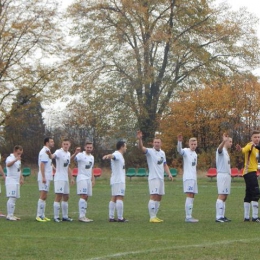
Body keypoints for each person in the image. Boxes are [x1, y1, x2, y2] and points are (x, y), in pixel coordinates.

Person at [137, 131, 173, 223]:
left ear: (161, 143)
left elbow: (165, 164)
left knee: (159, 197)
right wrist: (140, 139)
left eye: (158, 142)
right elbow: (141, 148)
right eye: (155, 142)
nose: (157, 144)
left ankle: (155, 216)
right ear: (153, 143)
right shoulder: (150, 152)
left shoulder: (162, 153)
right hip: (153, 178)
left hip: (161, 178)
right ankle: (152, 217)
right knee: (153, 196)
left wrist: (169, 174)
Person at [48, 138, 75, 222]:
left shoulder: (68, 153)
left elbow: (67, 167)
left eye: (67, 144)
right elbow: (53, 156)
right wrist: (50, 154)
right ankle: (56, 217)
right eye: (64, 144)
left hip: (65, 178)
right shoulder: (59, 152)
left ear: (69, 145)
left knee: (66, 196)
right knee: (59, 196)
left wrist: (71, 178)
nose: (66, 146)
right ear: (62, 145)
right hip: (59, 177)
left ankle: (65, 216)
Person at [236, 130, 260, 222]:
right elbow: (244, 150)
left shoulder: (257, 148)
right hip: (249, 172)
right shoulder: (250, 145)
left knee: (249, 194)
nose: (257, 139)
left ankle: (246, 217)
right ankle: (255, 217)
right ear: (251, 138)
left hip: (252, 172)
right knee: (256, 193)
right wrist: (240, 149)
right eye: (255, 137)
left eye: (258, 137)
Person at [103, 140, 128, 222]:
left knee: (114, 197)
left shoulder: (119, 155)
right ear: (122, 147)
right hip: (119, 180)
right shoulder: (117, 154)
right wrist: (108, 156)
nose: (126, 148)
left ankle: (111, 217)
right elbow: (113, 156)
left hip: (115, 179)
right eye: (125, 146)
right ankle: (120, 218)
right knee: (120, 197)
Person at [177, 134, 199, 223]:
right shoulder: (186, 151)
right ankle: (188, 217)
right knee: (189, 195)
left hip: (193, 178)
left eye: (195, 144)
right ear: (189, 144)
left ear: (196, 145)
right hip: (188, 177)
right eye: (192, 144)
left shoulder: (195, 154)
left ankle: (190, 215)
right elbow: (179, 151)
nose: (193, 146)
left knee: (192, 196)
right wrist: (179, 142)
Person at [73, 141, 95, 223]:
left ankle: (84, 215)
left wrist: (93, 179)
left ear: (92, 148)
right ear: (85, 147)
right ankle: (81, 216)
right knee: (83, 195)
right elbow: (73, 160)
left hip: (88, 178)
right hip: (82, 178)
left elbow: (92, 168)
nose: (89, 149)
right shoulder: (80, 155)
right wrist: (75, 153)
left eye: (90, 147)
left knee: (87, 197)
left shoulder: (92, 157)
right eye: (87, 147)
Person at [36, 137, 55, 222]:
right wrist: (43, 177)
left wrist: (54, 169)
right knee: (43, 195)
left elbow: (49, 163)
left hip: (47, 176)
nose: (53, 143)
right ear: (47, 143)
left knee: (45, 196)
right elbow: (42, 165)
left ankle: (42, 215)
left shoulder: (48, 151)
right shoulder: (44, 152)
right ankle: (38, 215)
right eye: (51, 141)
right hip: (44, 176)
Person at [215, 133, 233, 223]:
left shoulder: (226, 152)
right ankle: (218, 217)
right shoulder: (221, 150)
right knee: (222, 195)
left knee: (225, 196)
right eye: (229, 141)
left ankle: (222, 215)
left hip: (227, 175)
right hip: (222, 175)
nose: (231, 143)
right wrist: (223, 141)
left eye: (231, 142)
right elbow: (219, 149)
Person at [5, 145, 24, 221]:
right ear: (15, 151)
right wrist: (15, 160)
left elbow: (19, 169)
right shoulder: (10, 157)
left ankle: (11, 214)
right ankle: (9, 215)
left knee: (15, 198)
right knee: (12, 197)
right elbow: (8, 165)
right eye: (19, 153)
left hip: (16, 181)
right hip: (11, 180)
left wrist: (21, 177)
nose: (20, 155)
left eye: (21, 153)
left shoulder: (18, 160)